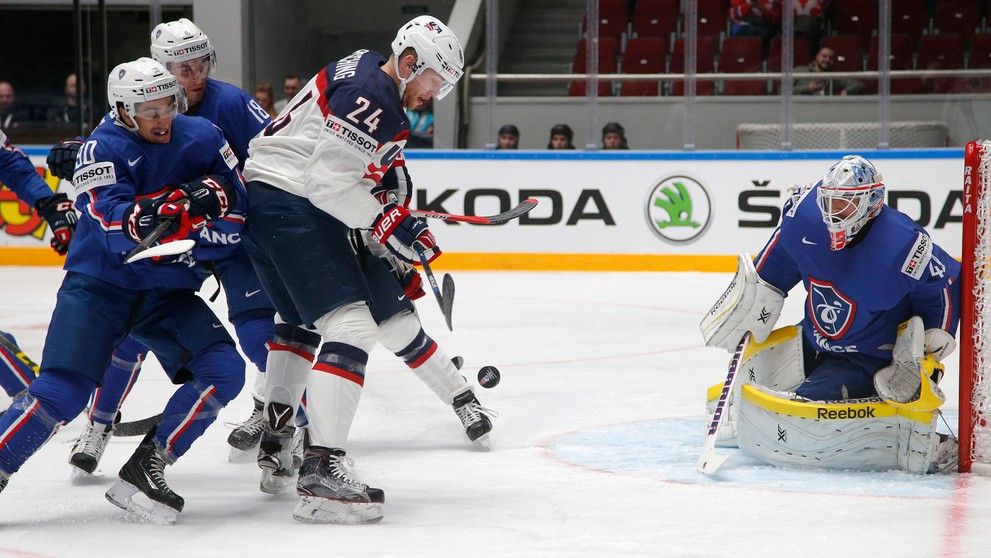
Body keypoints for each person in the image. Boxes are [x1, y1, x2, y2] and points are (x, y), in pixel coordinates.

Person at [240, 15, 492, 524]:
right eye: (434, 81)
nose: (433, 94)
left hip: (265, 204)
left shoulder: (360, 67)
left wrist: (393, 219)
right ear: (409, 62)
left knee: (299, 328)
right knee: (352, 326)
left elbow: (345, 173)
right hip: (293, 207)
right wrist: (388, 222)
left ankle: (278, 443)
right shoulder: (376, 96)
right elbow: (327, 184)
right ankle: (323, 469)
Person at [0, 57, 248, 525]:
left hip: (166, 290)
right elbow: (117, 226)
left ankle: (147, 464)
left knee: (224, 370)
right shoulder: (101, 148)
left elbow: (238, 193)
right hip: (101, 286)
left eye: (168, 104)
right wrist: (169, 206)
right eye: (148, 109)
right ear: (122, 110)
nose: (162, 118)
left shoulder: (203, 135)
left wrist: (208, 195)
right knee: (60, 394)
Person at [47, 17, 276, 478]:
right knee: (129, 335)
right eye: (182, 68)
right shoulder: (141, 100)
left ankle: (280, 420)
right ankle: (99, 422)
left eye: (200, 65)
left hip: (229, 238)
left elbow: (275, 156)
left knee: (257, 338)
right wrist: (81, 149)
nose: (195, 78)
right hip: (169, 246)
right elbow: (110, 155)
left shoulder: (229, 104)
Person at [700, 155, 960, 473]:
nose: (833, 212)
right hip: (813, 337)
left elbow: (945, 282)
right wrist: (760, 292)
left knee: (797, 414)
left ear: (872, 202)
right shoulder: (806, 215)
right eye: (830, 201)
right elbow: (783, 253)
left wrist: (935, 336)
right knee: (742, 383)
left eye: (845, 204)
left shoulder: (902, 244)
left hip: (869, 356)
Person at [793, 46, 865, 96]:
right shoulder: (799, 70)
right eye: (824, 56)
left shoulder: (835, 77)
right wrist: (807, 88)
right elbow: (783, 91)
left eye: (831, 58)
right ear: (817, 57)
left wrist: (847, 91)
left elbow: (858, 84)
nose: (827, 60)